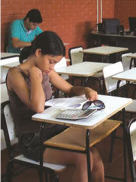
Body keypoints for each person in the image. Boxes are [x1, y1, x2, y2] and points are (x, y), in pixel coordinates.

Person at [6, 31, 104, 182]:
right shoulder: (16, 74)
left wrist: (85, 90)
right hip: (33, 139)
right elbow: (38, 107)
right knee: (85, 159)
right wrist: (34, 75)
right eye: (51, 61)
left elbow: (70, 89)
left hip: (52, 129)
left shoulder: (46, 70)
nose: (52, 68)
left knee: (95, 155)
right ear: (38, 52)